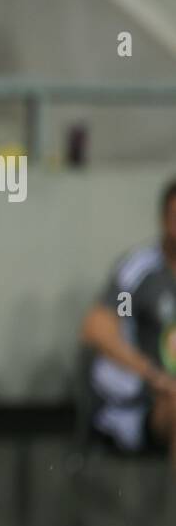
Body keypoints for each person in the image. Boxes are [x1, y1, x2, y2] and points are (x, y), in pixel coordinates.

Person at [80, 180, 176, 463]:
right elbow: (95, 329)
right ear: (162, 220)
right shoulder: (141, 270)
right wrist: (152, 375)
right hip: (143, 403)